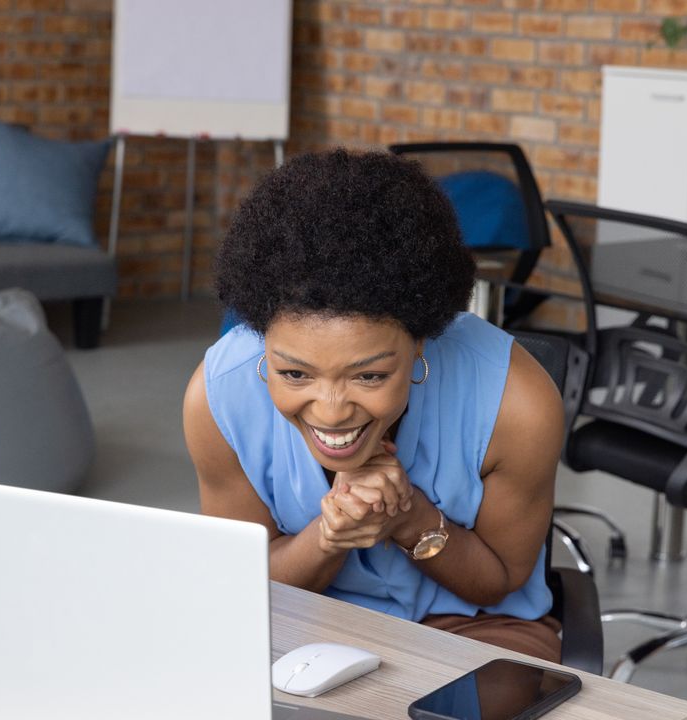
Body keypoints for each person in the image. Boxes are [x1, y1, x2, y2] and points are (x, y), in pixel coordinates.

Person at [183, 149, 565, 662]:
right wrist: (329, 536)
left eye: (369, 375)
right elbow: (243, 584)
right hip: (300, 618)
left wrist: (408, 517)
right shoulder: (219, 397)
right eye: (294, 373)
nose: (331, 411)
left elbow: (498, 583)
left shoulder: (517, 404)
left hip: (471, 628)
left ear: (420, 341)